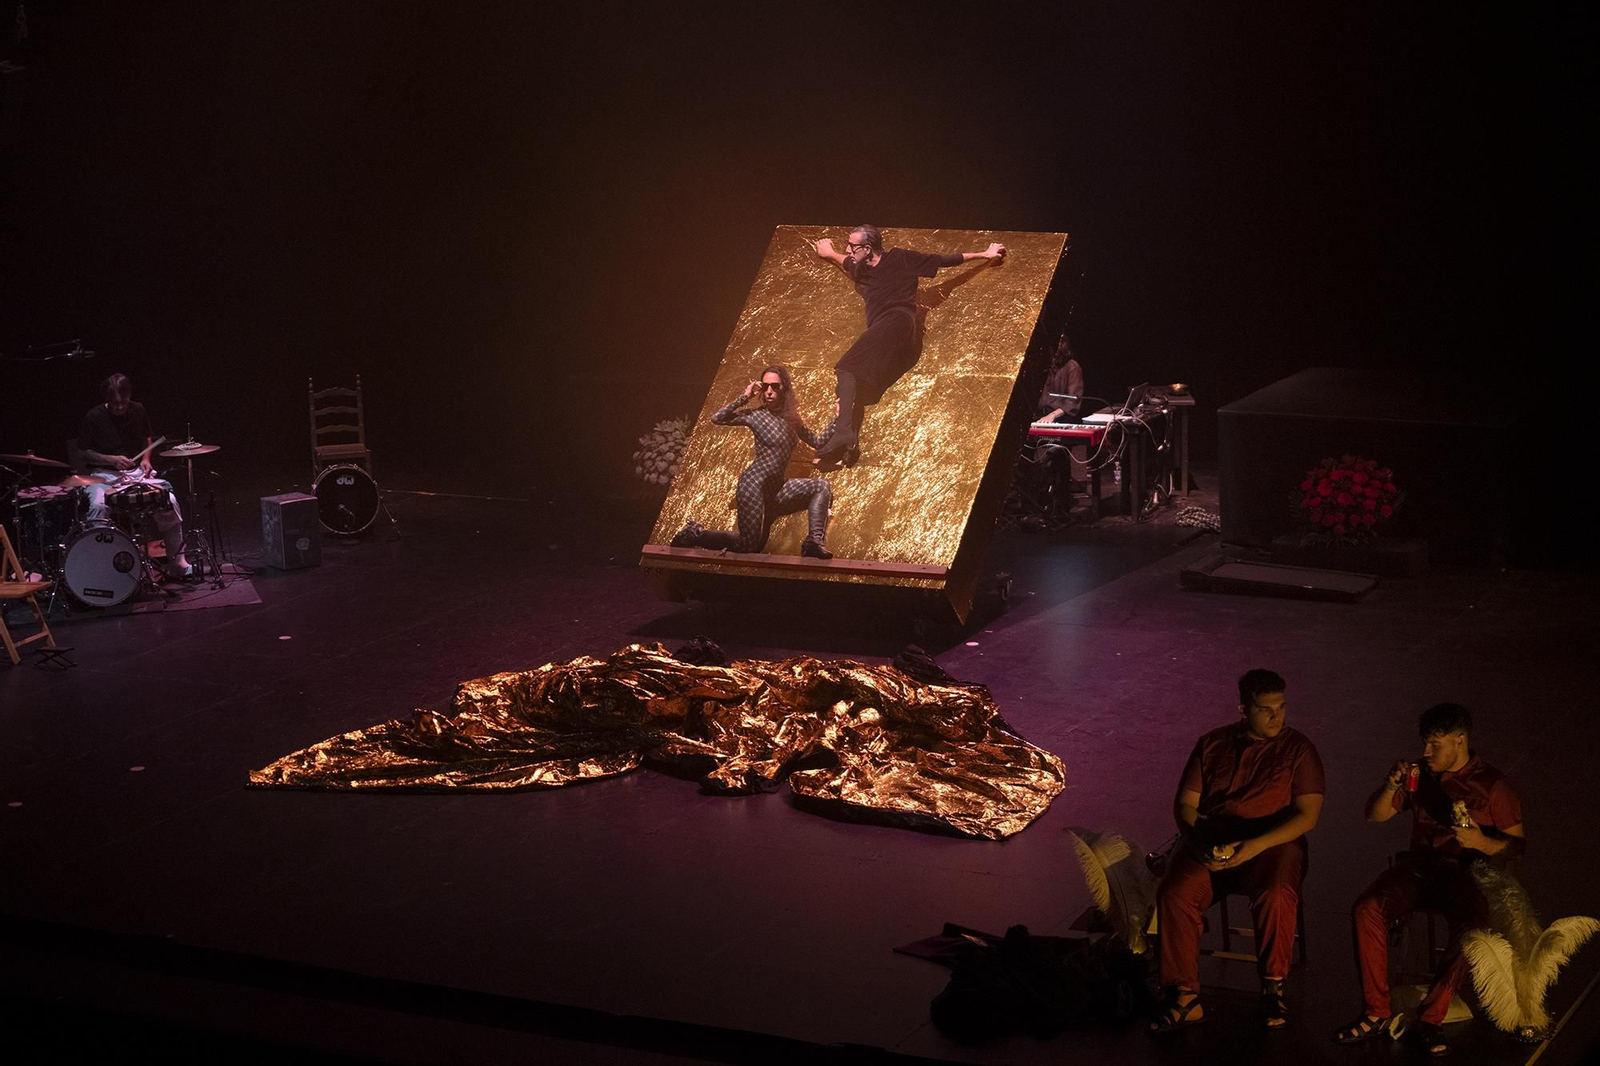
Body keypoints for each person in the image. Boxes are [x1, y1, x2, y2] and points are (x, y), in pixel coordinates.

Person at [1333, 703, 1524, 1057]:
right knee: (1366, 909)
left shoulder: (1493, 785)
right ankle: (1376, 1011)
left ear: (1460, 741)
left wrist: (1481, 841)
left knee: (1471, 928)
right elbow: (1375, 815)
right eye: (1425, 743)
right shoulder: (1419, 775)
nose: (1425, 752)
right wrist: (1390, 785)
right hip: (1418, 868)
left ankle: (1431, 1018)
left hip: (1464, 874)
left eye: (1435, 744)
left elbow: (1517, 846)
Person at [1149, 669, 1324, 1033]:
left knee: (1276, 893)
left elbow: (1308, 815)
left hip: (1272, 841)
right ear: (1243, 709)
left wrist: (1255, 845)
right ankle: (1184, 995)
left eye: (1281, 707)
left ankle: (1273, 985)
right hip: (1215, 838)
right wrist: (1197, 841)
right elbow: (1185, 805)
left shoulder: (1298, 749)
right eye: (1266, 709)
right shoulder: (1212, 744)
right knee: (1175, 893)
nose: (1278, 717)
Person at [810, 225, 1006, 465]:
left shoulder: (900, 259)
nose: (847, 249)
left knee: (846, 367)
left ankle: (843, 433)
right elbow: (844, 262)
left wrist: (985, 254)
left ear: (868, 248)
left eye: (852, 246)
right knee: (853, 388)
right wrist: (829, 253)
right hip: (883, 331)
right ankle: (848, 447)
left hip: (897, 321)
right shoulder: (860, 265)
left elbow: (944, 261)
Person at [671, 366, 837, 559]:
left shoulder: (792, 420)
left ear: (784, 389)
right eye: (765, 386)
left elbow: (816, 442)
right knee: (747, 546)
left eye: (775, 386)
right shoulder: (756, 415)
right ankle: (695, 534)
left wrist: (837, 418)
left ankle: (813, 543)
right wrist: (745, 396)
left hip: (776, 488)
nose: (769, 391)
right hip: (753, 485)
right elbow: (717, 418)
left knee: (821, 486)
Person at [76, 372, 195, 580]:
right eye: (115, 404)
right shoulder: (93, 417)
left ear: (129, 396)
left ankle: (177, 563)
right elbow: (83, 451)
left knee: (170, 500)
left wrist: (146, 459)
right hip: (104, 474)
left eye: (123, 402)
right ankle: (102, 568)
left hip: (135, 473)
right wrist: (110, 459)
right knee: (97, 506)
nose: (120, 407)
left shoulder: (138, 409)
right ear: (107, 400)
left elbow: (146, 437)